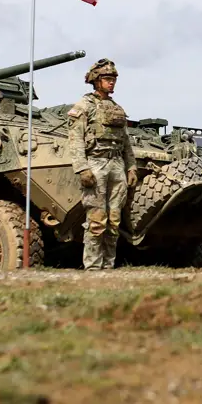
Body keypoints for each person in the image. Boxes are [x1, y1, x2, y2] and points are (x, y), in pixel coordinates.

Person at [66, 58, 138, 270]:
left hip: (116, 164)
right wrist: (82, 168)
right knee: (97, 220)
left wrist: (131, 166)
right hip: (95, 163)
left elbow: (126, 142)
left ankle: (108, 266)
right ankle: (93, 267)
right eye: (107, 79)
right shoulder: (83, 106)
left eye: (113, 79)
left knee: (114, 220)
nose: (111, 83)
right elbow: (75, 139)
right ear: (96, 81)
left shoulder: (117, 109)